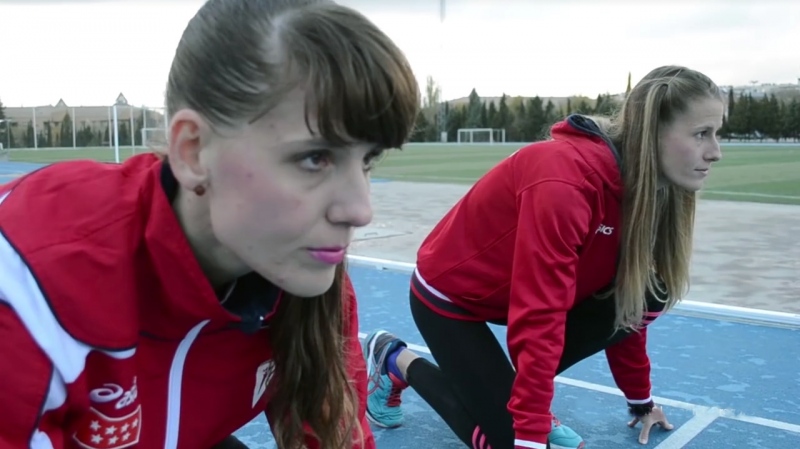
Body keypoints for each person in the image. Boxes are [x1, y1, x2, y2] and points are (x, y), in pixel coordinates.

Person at [0, 1, 419, 448]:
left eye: (368, 160)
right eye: (315, 158)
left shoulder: (304, 274)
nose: (360, 210)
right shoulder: (29, 282)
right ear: (193, 152)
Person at [362, 65, 724, 449]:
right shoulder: (565, 182)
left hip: (517, 296)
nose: (715, 152)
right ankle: (394, 359)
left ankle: (508, 395)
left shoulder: (647, 190)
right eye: (702, 134)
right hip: (451, 295)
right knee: (505, 440)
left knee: (654, 289)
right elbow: (541, 312)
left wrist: (640, 402)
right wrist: (530, 436)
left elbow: (629, 302)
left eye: (717, 134)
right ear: (654, 132)